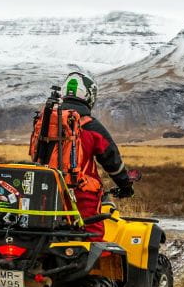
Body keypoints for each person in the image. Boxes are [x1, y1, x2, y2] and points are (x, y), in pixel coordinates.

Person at [33, 67, 134, 238]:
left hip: (45, 188)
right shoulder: (91, 126)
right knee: (91, 236)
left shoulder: (45, 121)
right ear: (89, 96)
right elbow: (111, 160)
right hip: (80, 191)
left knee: (45, 232)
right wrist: (125, 185)